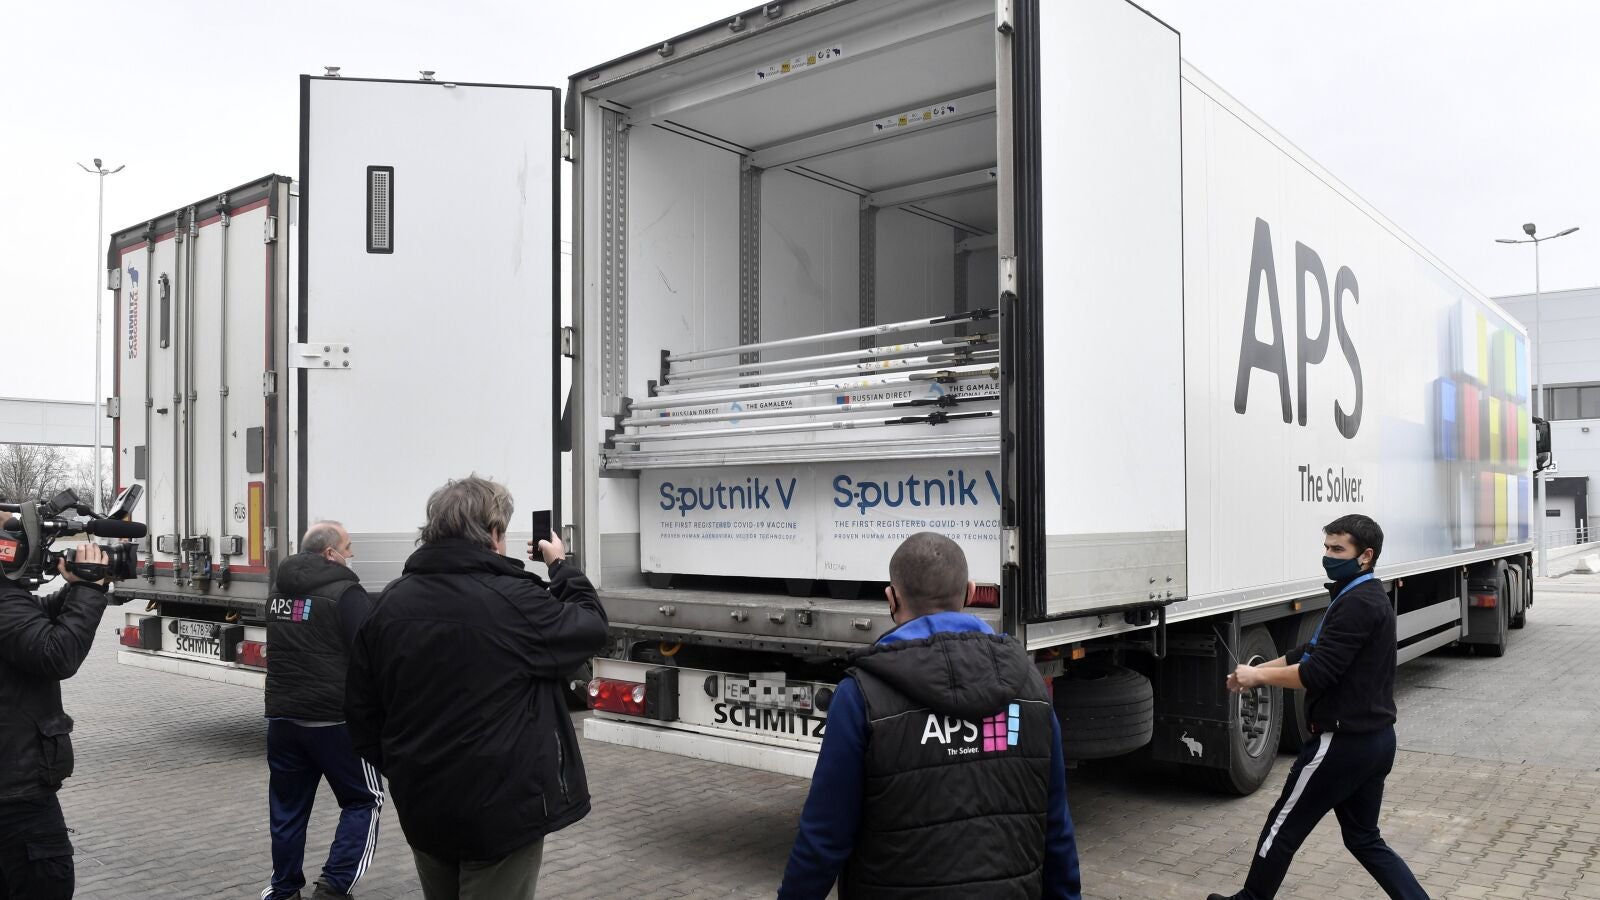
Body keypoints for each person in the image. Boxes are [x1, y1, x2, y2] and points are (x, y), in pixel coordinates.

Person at [779, 531, 1081, 899]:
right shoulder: (1029, 687)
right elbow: (1056, 829)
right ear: (970, 593)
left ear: (892, 598)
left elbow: (824, 837)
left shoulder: (860, 696)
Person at [345, 476, 607, 900]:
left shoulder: (389, 603)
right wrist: (560, 566)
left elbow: (361, 712)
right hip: (502, 814)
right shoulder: (515, 600)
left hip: (423, 807)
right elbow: (591, 626)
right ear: (493, 533)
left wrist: (406, 769)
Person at [1207, 514, 1428, 900]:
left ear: (1365, 556)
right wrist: (1256, 672)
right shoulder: (1361, 595)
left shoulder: (1358, 602)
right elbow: (1307, 652)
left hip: (1342, 744)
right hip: (1376, 741)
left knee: (1282, 828)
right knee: (1363, 838)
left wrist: (1257, 676)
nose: (1328, 556)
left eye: (1338, 549)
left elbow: (1315, 673)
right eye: (1326, 547)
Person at [262, 521, 382, 900]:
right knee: (365, 799)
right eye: (348, 548)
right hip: (336, 721)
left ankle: (284, 890)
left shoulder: (278, 590)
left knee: (287, 808)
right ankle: (334, 886)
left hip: (283, 717)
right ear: (330, 553)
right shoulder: (346, 593)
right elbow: (372, 652)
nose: (351, 555)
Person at [0, 544, 111, 899]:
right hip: (16, 803)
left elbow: (28, 622)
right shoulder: (4, 599)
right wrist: (88, 588)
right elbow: (56, 654)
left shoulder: (10, 602)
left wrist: (81, 586)